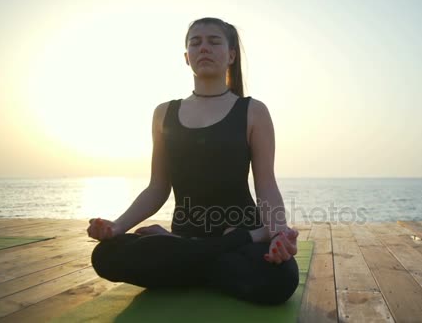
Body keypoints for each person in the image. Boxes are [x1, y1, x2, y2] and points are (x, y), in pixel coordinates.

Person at [86, 17, 300, 305]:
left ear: (231, 55)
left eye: (214, 41)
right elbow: (157, 188)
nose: (204, 48)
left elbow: (266, 184)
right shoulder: (164, 113)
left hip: (243, 229)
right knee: (105, 256)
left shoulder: (253, 111)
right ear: (187, 58)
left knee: (282, 278)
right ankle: (205, 256)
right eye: (195, 43)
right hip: (229, 238)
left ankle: (187, 260)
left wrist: (277, 234)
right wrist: (117, 226)